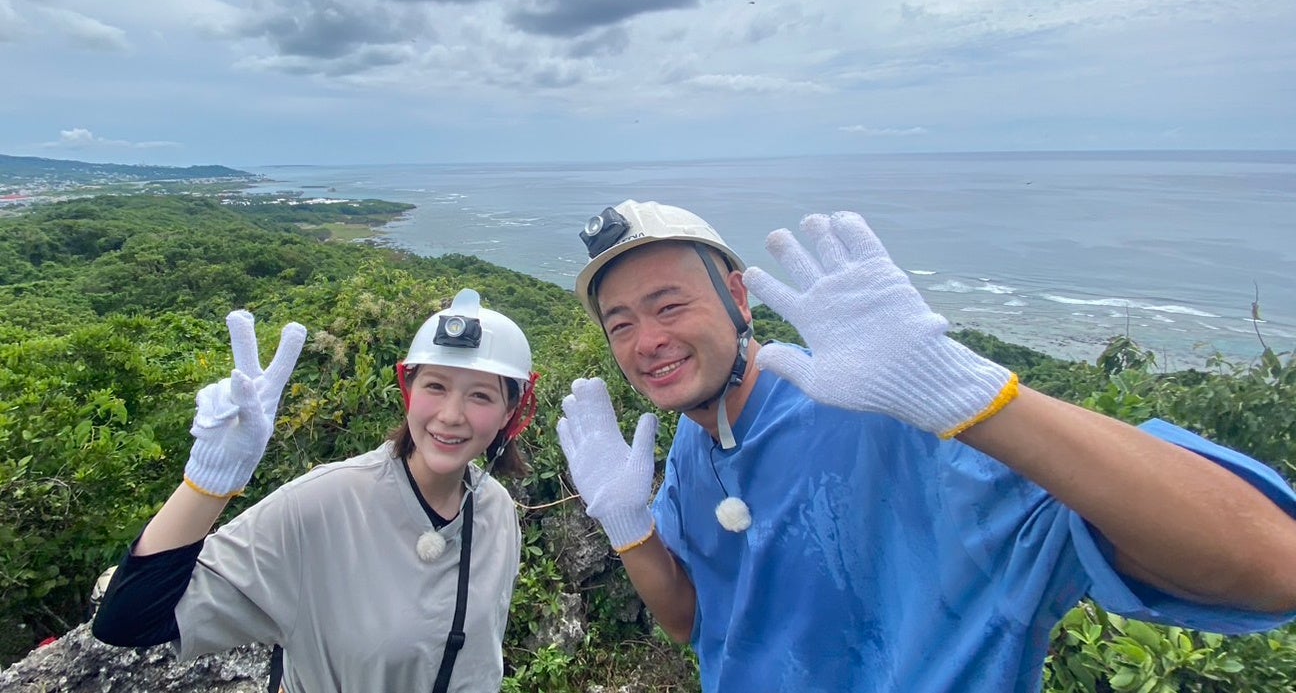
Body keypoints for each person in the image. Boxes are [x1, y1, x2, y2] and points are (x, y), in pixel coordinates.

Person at [555, 200, 1296, 692]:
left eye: (669, 304)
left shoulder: (887, 413)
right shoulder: (692, 439)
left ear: (740, 299)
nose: (646, 341)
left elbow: (1272, 565)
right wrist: (631, 527)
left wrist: (976, 399)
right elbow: (694, 620)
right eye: (620, 322)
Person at [93, 288, 540, 693]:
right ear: (408, 389)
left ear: (510, 411)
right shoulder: (322, 505)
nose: (450, 415)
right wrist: (208, 483)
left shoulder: (495, 509)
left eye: (480, 396)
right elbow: (131, 619)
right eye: (435, 386)